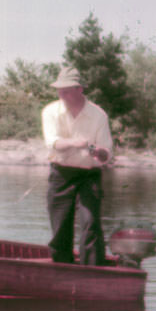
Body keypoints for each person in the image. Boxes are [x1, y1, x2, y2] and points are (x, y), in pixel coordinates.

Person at [41, 66, 113, 266]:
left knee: (90, 223)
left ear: (79, 89)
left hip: (89, 175)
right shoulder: (50, 111)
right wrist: (77, 143)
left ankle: (92, 270)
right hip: (60, 174)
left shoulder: (99, 115)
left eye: (65, 89)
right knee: (60, 227)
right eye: (58, 89)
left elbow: (106, 154)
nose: (60, 93)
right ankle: (62, 267)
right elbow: (53, 143)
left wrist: (99, 152)